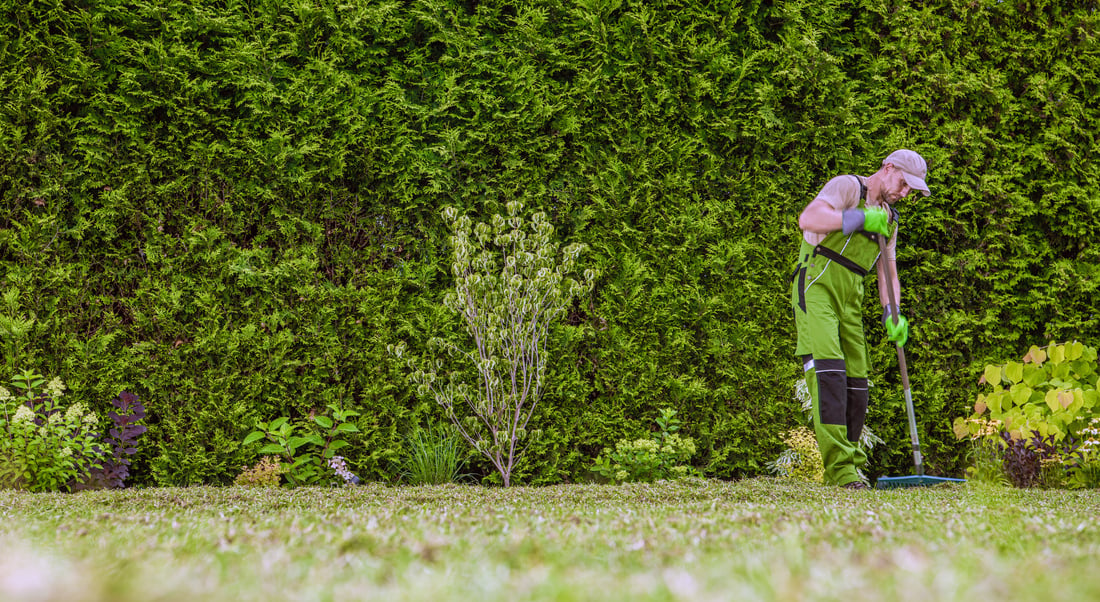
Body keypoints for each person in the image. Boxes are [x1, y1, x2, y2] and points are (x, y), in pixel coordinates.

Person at [789, 149, 930, 489]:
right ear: (888, 168)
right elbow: (809, 218)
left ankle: (850, 466)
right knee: (829, 375)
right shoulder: (849, 188)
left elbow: (887, 272)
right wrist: (858, 219)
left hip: (851, 294)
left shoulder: (889, 219)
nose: (905, 192)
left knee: (857, 384)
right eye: (903, 183)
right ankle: (841, 473)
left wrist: (891, 314)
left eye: (912, 189)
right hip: (817, 283)